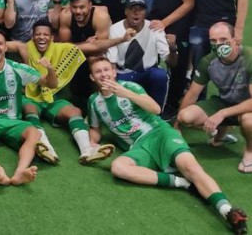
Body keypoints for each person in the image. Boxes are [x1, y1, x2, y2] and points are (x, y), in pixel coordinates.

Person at [87, 56, 248, 235]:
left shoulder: (130, 87)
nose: (104, 74)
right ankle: (183, 183)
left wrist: (126, 93)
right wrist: (91, 143)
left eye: (106, 70)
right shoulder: (94, 102)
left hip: (160, 133)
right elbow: (95, 129)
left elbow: (156, 109)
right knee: (118, 167)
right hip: (139, 147)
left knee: (192, 168)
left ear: (114, 72)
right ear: (92, 77)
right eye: (98, 72)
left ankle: (227, 210)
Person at [0, 28, 57, 186]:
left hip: (13, 121)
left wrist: (50, 69)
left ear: (5, 47)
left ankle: (20, 172)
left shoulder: (18, 68)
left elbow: (51, 84)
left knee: (34, 132)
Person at [20, 20, 113, 165]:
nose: (41, 37)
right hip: (30, 97)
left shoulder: (61, 49)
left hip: (52, 97)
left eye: (45, 34)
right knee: (30, 111)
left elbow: (93, 46)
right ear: (32, 37)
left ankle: (87, 150)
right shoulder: (25, 48)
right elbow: (0, 43)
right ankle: (46, 147)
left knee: (75, 111)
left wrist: (122, 39)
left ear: (52, 37)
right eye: (38, 34)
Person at [177, 22, 252, 172]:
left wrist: (222, 113)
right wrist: (176, 126)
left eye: (223, 39)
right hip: (225, 102)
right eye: (213, 40)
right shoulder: (208, 61)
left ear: (235, 39)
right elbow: (192, 94)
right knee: (185, 116)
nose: (218, 44)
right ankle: (222, 135)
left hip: (246, 106)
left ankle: (250, 151)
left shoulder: (249, 58)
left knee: (248, 120)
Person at [59, 0, 135, 111]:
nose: (78, 11)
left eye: (82, 7)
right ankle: (75, 101)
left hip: (98, 54)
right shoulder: (66, 16)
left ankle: (104, 101)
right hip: (75, 53)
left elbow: (99, 48)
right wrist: (85, 44)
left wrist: (82, 47)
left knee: (95, 61)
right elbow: (63, 48)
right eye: (74, 7)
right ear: (70, 6)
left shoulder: (100, 17)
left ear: (90, 5)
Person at [143, 0, 195, 114]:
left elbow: (188, 3)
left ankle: (172, 103)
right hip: (158, 15)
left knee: (178, 62)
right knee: (149, 55)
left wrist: (164, 23)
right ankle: (149, 97)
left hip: (179, 20)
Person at [107, 0, 174, 112]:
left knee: (160, 75)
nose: (136, 12)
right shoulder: (115, 29)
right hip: (124, 72)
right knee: (116, 81)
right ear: (126, 12)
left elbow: (170, 62)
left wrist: (173, 48)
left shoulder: (154, 27)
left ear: (145, 12)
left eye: (140, 9)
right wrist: (112, 81)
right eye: (132, 9)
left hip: (148, 70)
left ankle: (158, 114)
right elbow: (112, 61)